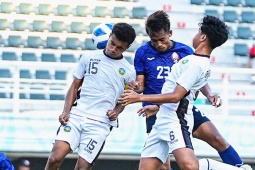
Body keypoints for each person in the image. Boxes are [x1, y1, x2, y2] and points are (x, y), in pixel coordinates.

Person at [119, 15, 251, 170]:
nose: (159, 44)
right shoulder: (195, 60)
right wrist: (155, 106)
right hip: (161, 116)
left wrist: (138, 98)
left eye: (197, 33)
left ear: (202, 37)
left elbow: (176, 96)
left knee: (190, 166)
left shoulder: (194, 62)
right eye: (155, 40)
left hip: (176, 117)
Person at [44, 22, 136, 170]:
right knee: (55, 158)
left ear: (127, 47)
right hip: (77, 115)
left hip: (100, 123)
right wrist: (66, 111)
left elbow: (125, 99)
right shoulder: (88, 57)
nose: (113, 49)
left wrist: (116, 111)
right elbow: (74, 86)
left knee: (82, 167)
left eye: (119, 48)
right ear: (109, 36)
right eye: (112, 43)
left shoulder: (129, 71)